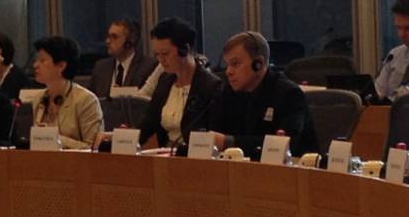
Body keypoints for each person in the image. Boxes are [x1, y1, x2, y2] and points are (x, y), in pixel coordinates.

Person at [211, 31, 318, 159]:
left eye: (235, 64)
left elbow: (285, 145)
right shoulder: (227, 92)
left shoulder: (289, 94)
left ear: (258, 64)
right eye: (228, 64)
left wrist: (228, 142)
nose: (228, 71)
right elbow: (215, 134)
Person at [138, 17, 223, 147]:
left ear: (184, 49)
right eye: (157, 54)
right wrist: (119, 137)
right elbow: (148, 124)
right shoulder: (164, 82)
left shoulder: (211, 86)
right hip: (165, 155)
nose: (161, 60)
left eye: (165, 54)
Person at [32, 36, 104, 149]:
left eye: (42, 60)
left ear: (61, 66)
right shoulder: (38, 99)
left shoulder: (86, 100)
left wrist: (57, 140)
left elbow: (93, 148)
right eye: (36, 60)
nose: (35, 65)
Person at [88, 18, 158, 98]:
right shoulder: (101, 68)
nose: (107, 41)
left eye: (114, 37)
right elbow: (91, 100)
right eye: (108, 36)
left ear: (130, 41)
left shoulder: (148, 67)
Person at [375, 0, 409, 102]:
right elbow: (378, 92)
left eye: (408, 28)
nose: (401, 35)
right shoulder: (394, 55)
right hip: (389, 116)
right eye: (398, 28)